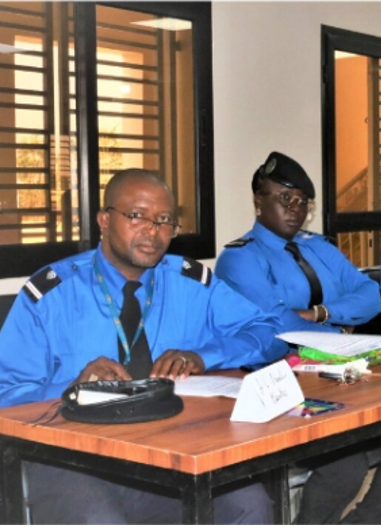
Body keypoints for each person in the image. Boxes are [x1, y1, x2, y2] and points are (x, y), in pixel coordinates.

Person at [0, 169, 280, 524]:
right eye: (137, 216)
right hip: (73, 458)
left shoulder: (191, 283)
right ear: (104, 219)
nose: (153, 231)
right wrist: (73, 389)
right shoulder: (52, 293)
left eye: (165, 220)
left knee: (249, 505)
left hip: (173, 447)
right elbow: (6, 392)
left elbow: (269, 332)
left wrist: (202, 356)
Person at [215, 152, 381, 525]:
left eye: (302, 203)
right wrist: (340, 334)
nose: (295, 209)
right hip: (282, 384)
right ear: (258, 201)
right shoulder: (240, 258)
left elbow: (369, 294)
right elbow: (278, 326)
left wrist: (320, 314)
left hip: (341, 378)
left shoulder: (318, 247)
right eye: (285, 199)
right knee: (345, 466)